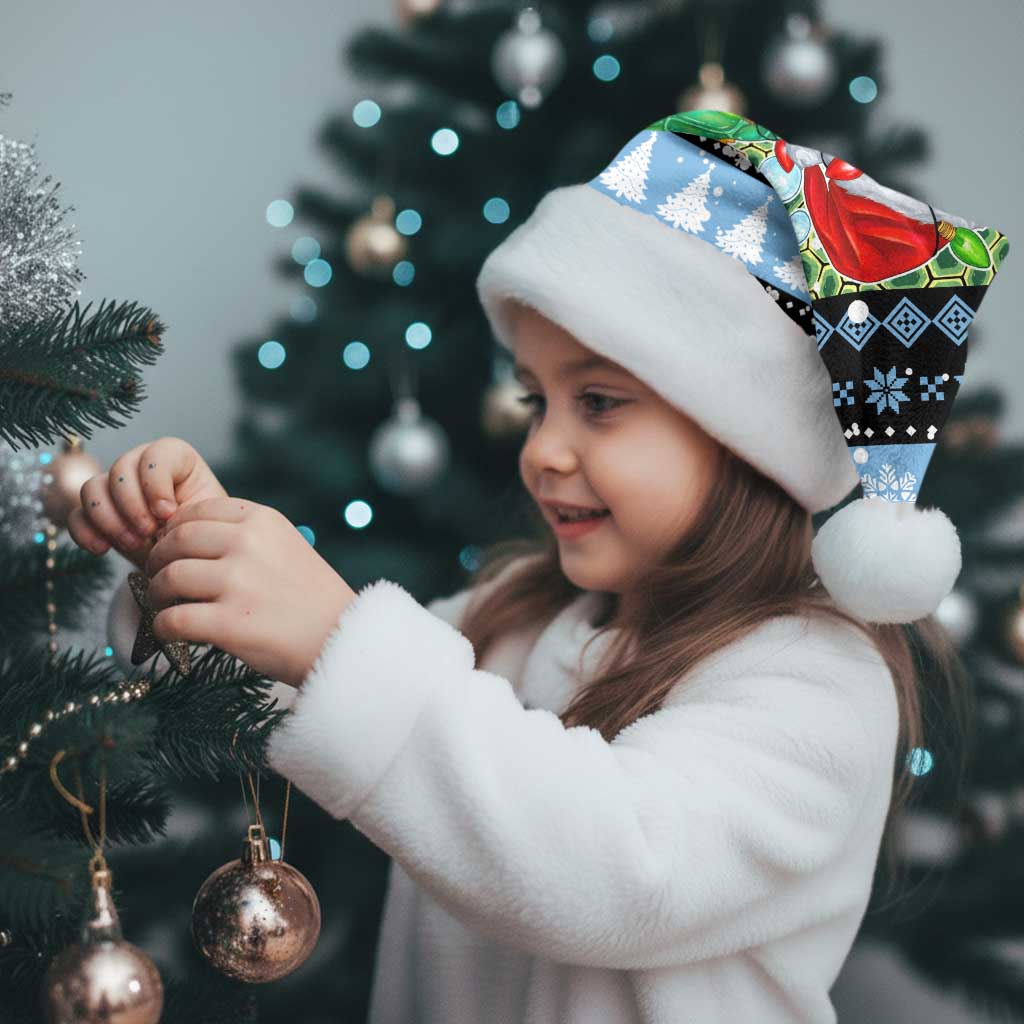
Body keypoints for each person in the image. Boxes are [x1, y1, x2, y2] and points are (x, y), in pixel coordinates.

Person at [73, 109, 1010, 1023]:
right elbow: (306, 690)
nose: (543, 450)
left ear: (746, 441)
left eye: (598, 402)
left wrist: (334, 635)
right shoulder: (514, 616)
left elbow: (616, 871)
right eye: (535, 401)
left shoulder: (818, 683)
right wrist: (190, 566)